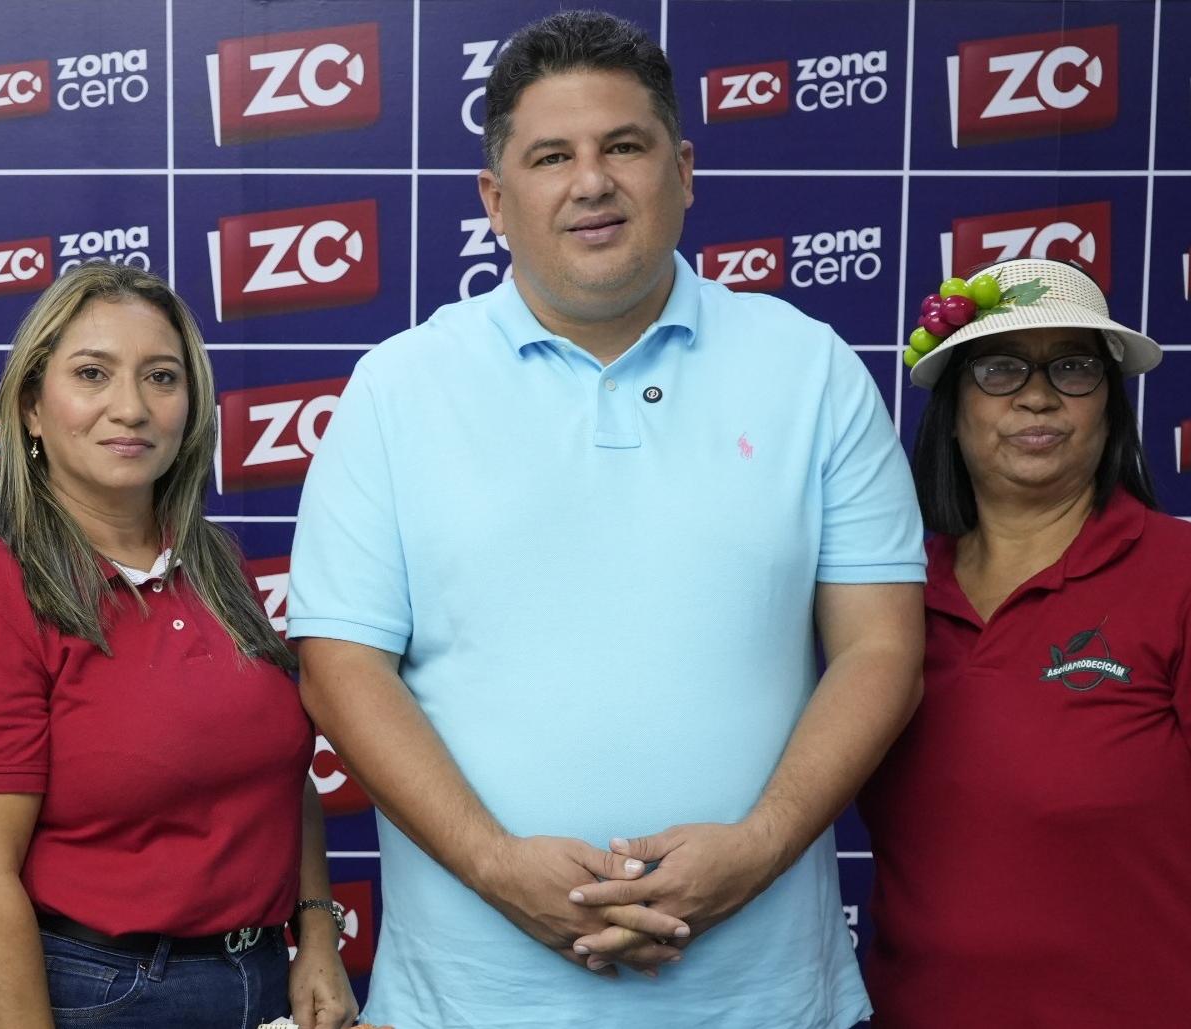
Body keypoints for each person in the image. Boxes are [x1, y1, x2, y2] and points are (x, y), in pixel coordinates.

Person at [288, 10, 925, 1027]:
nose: (590, 181)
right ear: (495, 200)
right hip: (470, 1002)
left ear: (683, 171)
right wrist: (498, 866)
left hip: (761, 1001)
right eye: (551, 156)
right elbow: (340, 667)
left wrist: (757, 848)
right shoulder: (396, 389)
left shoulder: (811, 370)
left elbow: (879, 649)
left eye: (623, 146)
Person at [856, 257, 1191, 1028]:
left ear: (1110, 406)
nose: (1038, 394)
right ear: (951, 409)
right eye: (1000, 368)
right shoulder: (886, 598)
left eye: (1073, 367)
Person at [0, 262, 362, 1029]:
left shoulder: (216, 563)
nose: (130, 407)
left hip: (261, 979)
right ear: (30, 406)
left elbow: (280, 772)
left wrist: (316, 932)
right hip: (98, 995)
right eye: (92, 373)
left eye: (161, 376)